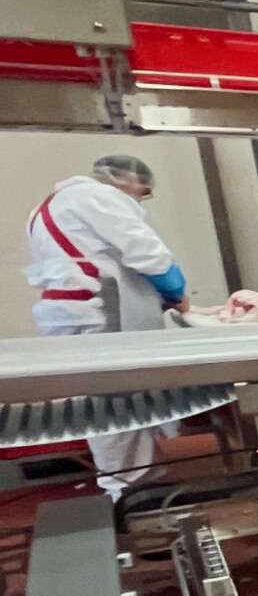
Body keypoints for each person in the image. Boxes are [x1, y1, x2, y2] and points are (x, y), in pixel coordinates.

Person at [24, 155, 189, 498]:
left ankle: (139, 483)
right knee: (115, 404)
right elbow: (145, 252)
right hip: (98, 315)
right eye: (143, 192)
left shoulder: (50, 205)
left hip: (70, 314)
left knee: (107, 403)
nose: (141, 199)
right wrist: (175, 289)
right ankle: (129, 493)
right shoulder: (98, 196)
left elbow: (97, 258)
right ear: (127, 180)